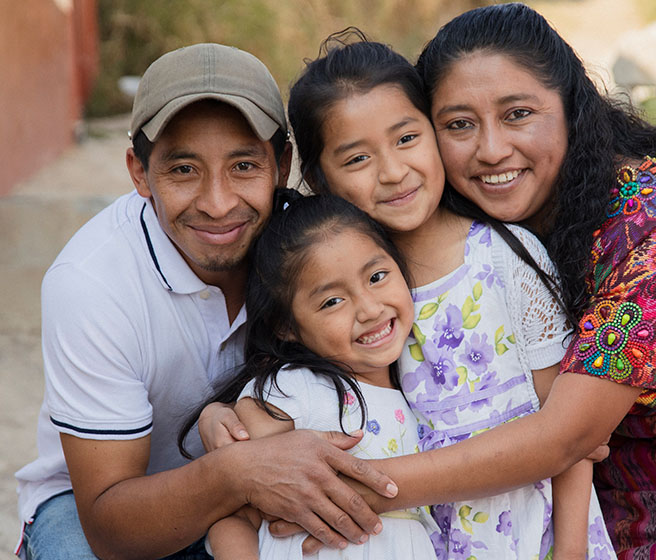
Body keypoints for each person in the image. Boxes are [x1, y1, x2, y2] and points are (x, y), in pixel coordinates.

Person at [202, 6, 656, 559]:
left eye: (517, 115)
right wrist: (232, 422)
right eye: (457, 124)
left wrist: (328, 483)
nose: (489, 149)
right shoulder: (405, 232)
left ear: (570, 107)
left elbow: (561, 435)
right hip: (609, 487)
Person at [14, 43, 398, 560]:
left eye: (244, 165)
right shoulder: (91, 283)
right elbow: (110, 526)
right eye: (183, 170)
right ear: (138, 171)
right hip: (109, 503)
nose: (218, 205)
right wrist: (238, 472)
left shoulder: (307, 246)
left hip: (263, 479)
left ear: (282, 164)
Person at [284, 35, 616, 559]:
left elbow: (571, 437)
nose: (392, 172)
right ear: (319, 181)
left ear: (435, 134)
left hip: (537, 535)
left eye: (407, 138)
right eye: (357, 159)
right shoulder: (353, 299)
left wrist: (571, 551)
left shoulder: (507, 257)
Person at [186, 193, 439, 559]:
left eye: (377, 276)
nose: (369, 309)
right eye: (332, 301)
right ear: (286, 326)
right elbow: (233, 511)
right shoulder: (296, 388)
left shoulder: (423, 385)